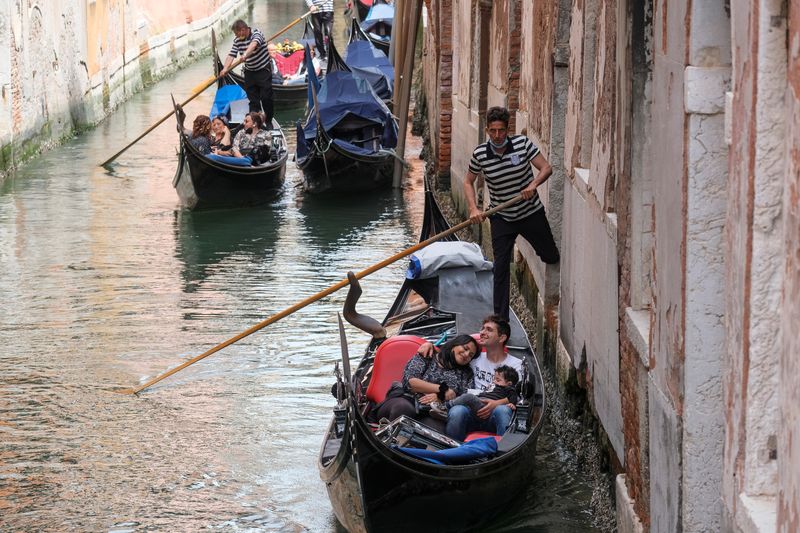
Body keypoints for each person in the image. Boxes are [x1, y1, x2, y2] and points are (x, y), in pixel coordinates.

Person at [465, 106, 560, 320]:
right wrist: (473, 208)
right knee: (500, 268)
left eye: (501, 130)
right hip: (502, 217)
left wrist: (533, 184)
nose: (497, 136)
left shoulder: (522, 144)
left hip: (530, 212)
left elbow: (546, 168)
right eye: (492, 131)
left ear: (507, 129)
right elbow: (468, 181)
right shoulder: (480, 154)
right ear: (487, 130)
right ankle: (501, 321)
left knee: (551, 256)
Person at [417, 315, 523, 441]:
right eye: (482, 329)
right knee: (457, 411)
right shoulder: (472, 359)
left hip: (496, 413)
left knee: (503, 410)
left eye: (488, 330)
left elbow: (518, 395)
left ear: (502, 337)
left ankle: (504, 451)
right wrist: (430, 345)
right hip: (471, 410)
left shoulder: (516, 365)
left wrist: (496, 404)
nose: (482, 333)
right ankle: (451, 449)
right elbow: (449, 354)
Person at [372, 334, 480, 423]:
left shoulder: (466, 373)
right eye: (465, 349)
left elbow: (465, 397)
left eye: (470, 355)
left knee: (435, 430)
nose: (466, 355)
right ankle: (390, 441)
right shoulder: (427, 355)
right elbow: (411, 382)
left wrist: (441, 397)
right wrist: (443, 390)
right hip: (407, 400)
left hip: (435, 412)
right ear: (454, 345)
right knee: (403, 409)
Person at [221, 20, 274, 125]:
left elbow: (253, 45)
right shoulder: (237, 40)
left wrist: (245, 54)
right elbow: (231, 55)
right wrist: (225, 68)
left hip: (263, 69)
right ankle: (254, 123)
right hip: (249, 72)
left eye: (236, 33)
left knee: (266, 97)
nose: (235, 36)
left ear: (243, 30)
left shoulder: (257, 33)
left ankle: (268, 121)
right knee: (253, 100)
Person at [429, 365, 519, 421]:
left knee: (469, 397)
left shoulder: (508, 388)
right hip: (479, 403)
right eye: (494, 379)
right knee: (465, 400)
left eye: (498, 380)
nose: (494, 381)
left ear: (509, 383)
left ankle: (445, 407)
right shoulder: (494, 387)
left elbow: (513, 397)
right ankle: (447, 414)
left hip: (486, 407)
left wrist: (510, 403)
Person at [207, 112, 271, 166]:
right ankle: (245, 162)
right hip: (238, 158)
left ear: (254, 124)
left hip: (256, 159)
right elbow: (235, 147)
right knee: (233, 149)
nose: (243, 123)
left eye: (246, 121)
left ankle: (245, 162)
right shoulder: (241, 132)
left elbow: (266, 151)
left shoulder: (266, 134)